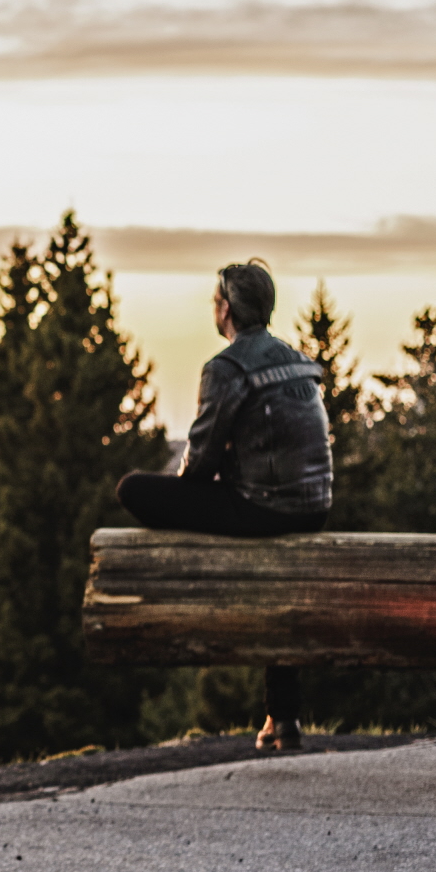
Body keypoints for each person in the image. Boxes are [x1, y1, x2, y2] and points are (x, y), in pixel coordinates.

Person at [116, 259, 332, 751]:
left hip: (263, 508)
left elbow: (200, 464)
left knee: (133, 490)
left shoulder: (226, 367)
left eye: (216, 300)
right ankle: (283, 718)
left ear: (227, 309)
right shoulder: (298, 360)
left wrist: (189, 493)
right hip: (314, 508)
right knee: (280, 583)